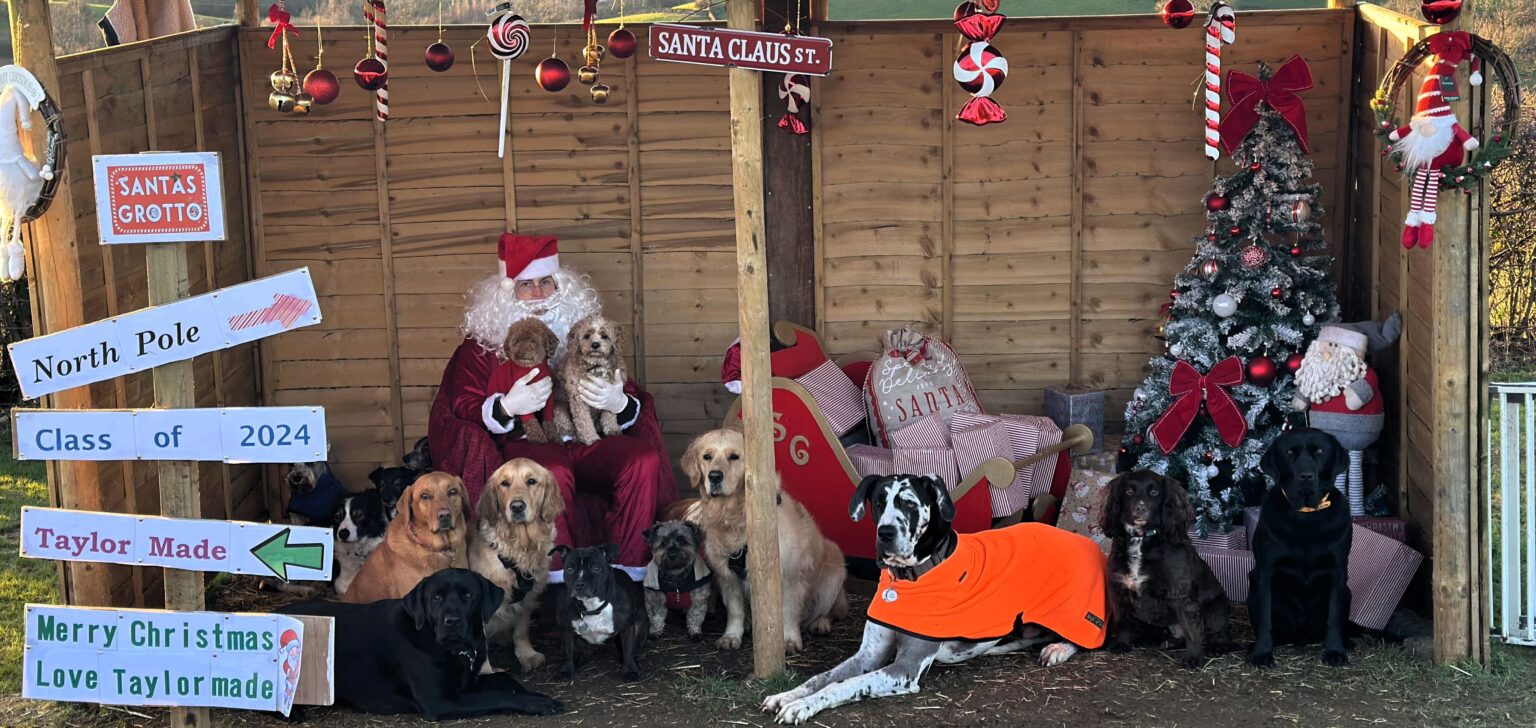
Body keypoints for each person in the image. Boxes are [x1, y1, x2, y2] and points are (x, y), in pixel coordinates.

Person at [428, 233, 672, 582]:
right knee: (550, 474)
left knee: (641, 460)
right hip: (528, 443)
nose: (539, 295)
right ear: (507, 293)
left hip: (589, 438)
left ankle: (627, 575)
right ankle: (560, 580)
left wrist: (620, 402)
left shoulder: (585, 333)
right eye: (527, 285)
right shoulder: (481, 345)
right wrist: (508, 406)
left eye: (546, 282)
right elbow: (462, 405)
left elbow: (625, 385)